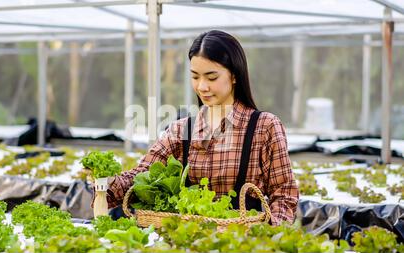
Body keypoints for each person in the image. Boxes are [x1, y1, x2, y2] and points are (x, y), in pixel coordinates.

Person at [99, 30, 299, 226]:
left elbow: (284, 194)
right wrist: (105, 181)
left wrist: (268, 234)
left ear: (234, 76)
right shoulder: (181, 129)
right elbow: (142, 176)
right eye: (195, 77)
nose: (202, 87)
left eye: (212, 77)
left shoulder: (264, 127)